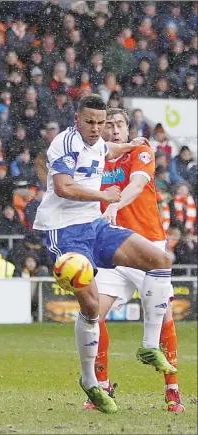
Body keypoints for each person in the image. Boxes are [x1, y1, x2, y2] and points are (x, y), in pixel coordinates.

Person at [33, 94, 175, 414]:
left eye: (101, 123)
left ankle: (150, 345)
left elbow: (105, 150)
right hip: (65, 232)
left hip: (94, 226)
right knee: (92, 307)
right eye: (90, 122)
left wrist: (130, 145)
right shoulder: (64, 144)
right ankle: (90, 381)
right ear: (76, 119)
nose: (97, 128)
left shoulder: (98, 141)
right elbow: (63, 187)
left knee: (161, 260)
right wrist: (105, 195)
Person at [87, 107, 184, 413]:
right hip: (113, 251)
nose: (114, 129)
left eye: (119, 125)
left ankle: (172, 390)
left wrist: (116, 203)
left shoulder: (141, 151)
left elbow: (137, 185)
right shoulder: (96, 160)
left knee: (163, 317)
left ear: (128, 130)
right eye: (108, 125)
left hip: (147, 249)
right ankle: (101, 388)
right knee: (92, 315)